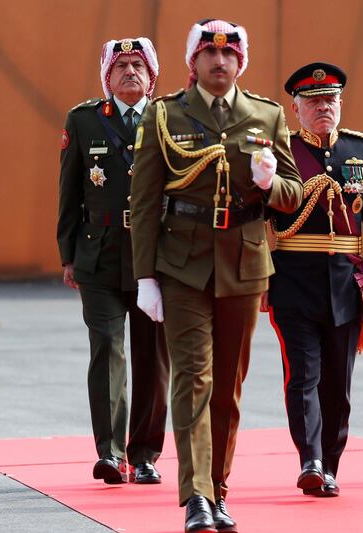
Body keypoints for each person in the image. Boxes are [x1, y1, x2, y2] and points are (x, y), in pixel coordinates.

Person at [129, 19, 303, 533]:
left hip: (245, 263)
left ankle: (219, 489)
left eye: (229, 55)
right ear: (194, 62)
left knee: (228, 386)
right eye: (209, 54)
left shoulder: (266, 116)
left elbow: (294, 194)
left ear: (241, 62)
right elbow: (142, 204)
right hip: (182, 262)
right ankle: (196, 496)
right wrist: (145, 278)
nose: (220, 62)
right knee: (192, 378)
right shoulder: (165, 116)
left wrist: (272, 184)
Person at [266, 62, 363, 497]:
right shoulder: (282, 152)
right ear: (296, 108)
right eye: (313, 101)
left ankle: (331, 464)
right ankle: (311, 460)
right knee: (302, 375)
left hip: (345, 283)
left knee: (338, 385)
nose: (324, 107)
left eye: (330, 100)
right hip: (292, 280)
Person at [57, 37, 169, 486]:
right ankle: (110, 452)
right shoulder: (84, 121)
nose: (129, 72)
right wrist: (68, 255)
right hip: (98, 253)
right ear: (107, 76)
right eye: (120, 65)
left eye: (138, 64)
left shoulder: (169, 119)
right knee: (106, 349)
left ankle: (145, 454)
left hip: (155, 256)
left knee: (152, 356)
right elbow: (69, 193)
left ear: (152, 74)